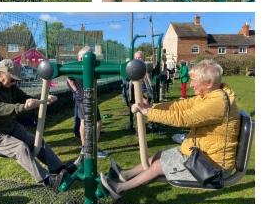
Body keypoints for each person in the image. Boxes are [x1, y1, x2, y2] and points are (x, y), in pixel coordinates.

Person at [101, 60, 241, 196]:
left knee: (158, 166)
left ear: (209, 83)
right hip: (202, 153)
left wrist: (149, 113)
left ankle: (119, 188)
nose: (191, 84)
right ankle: (125, 174)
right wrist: (152, 107)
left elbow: (183, 118)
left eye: (194, 80)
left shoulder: (217, 103)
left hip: (213, 166)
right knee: (159, 155)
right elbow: (180, 106)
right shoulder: (211, 95)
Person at [0, 59, 73, 187]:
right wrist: (23, 107)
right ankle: (47, 180)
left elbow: (25, 99)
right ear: (0, 73)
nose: (15, 82)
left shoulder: (11, 87)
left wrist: (43, 100)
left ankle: (58, 168)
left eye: (16, 80)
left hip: (8, 125)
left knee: (37, 141)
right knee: (20, 148)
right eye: (12, 79)